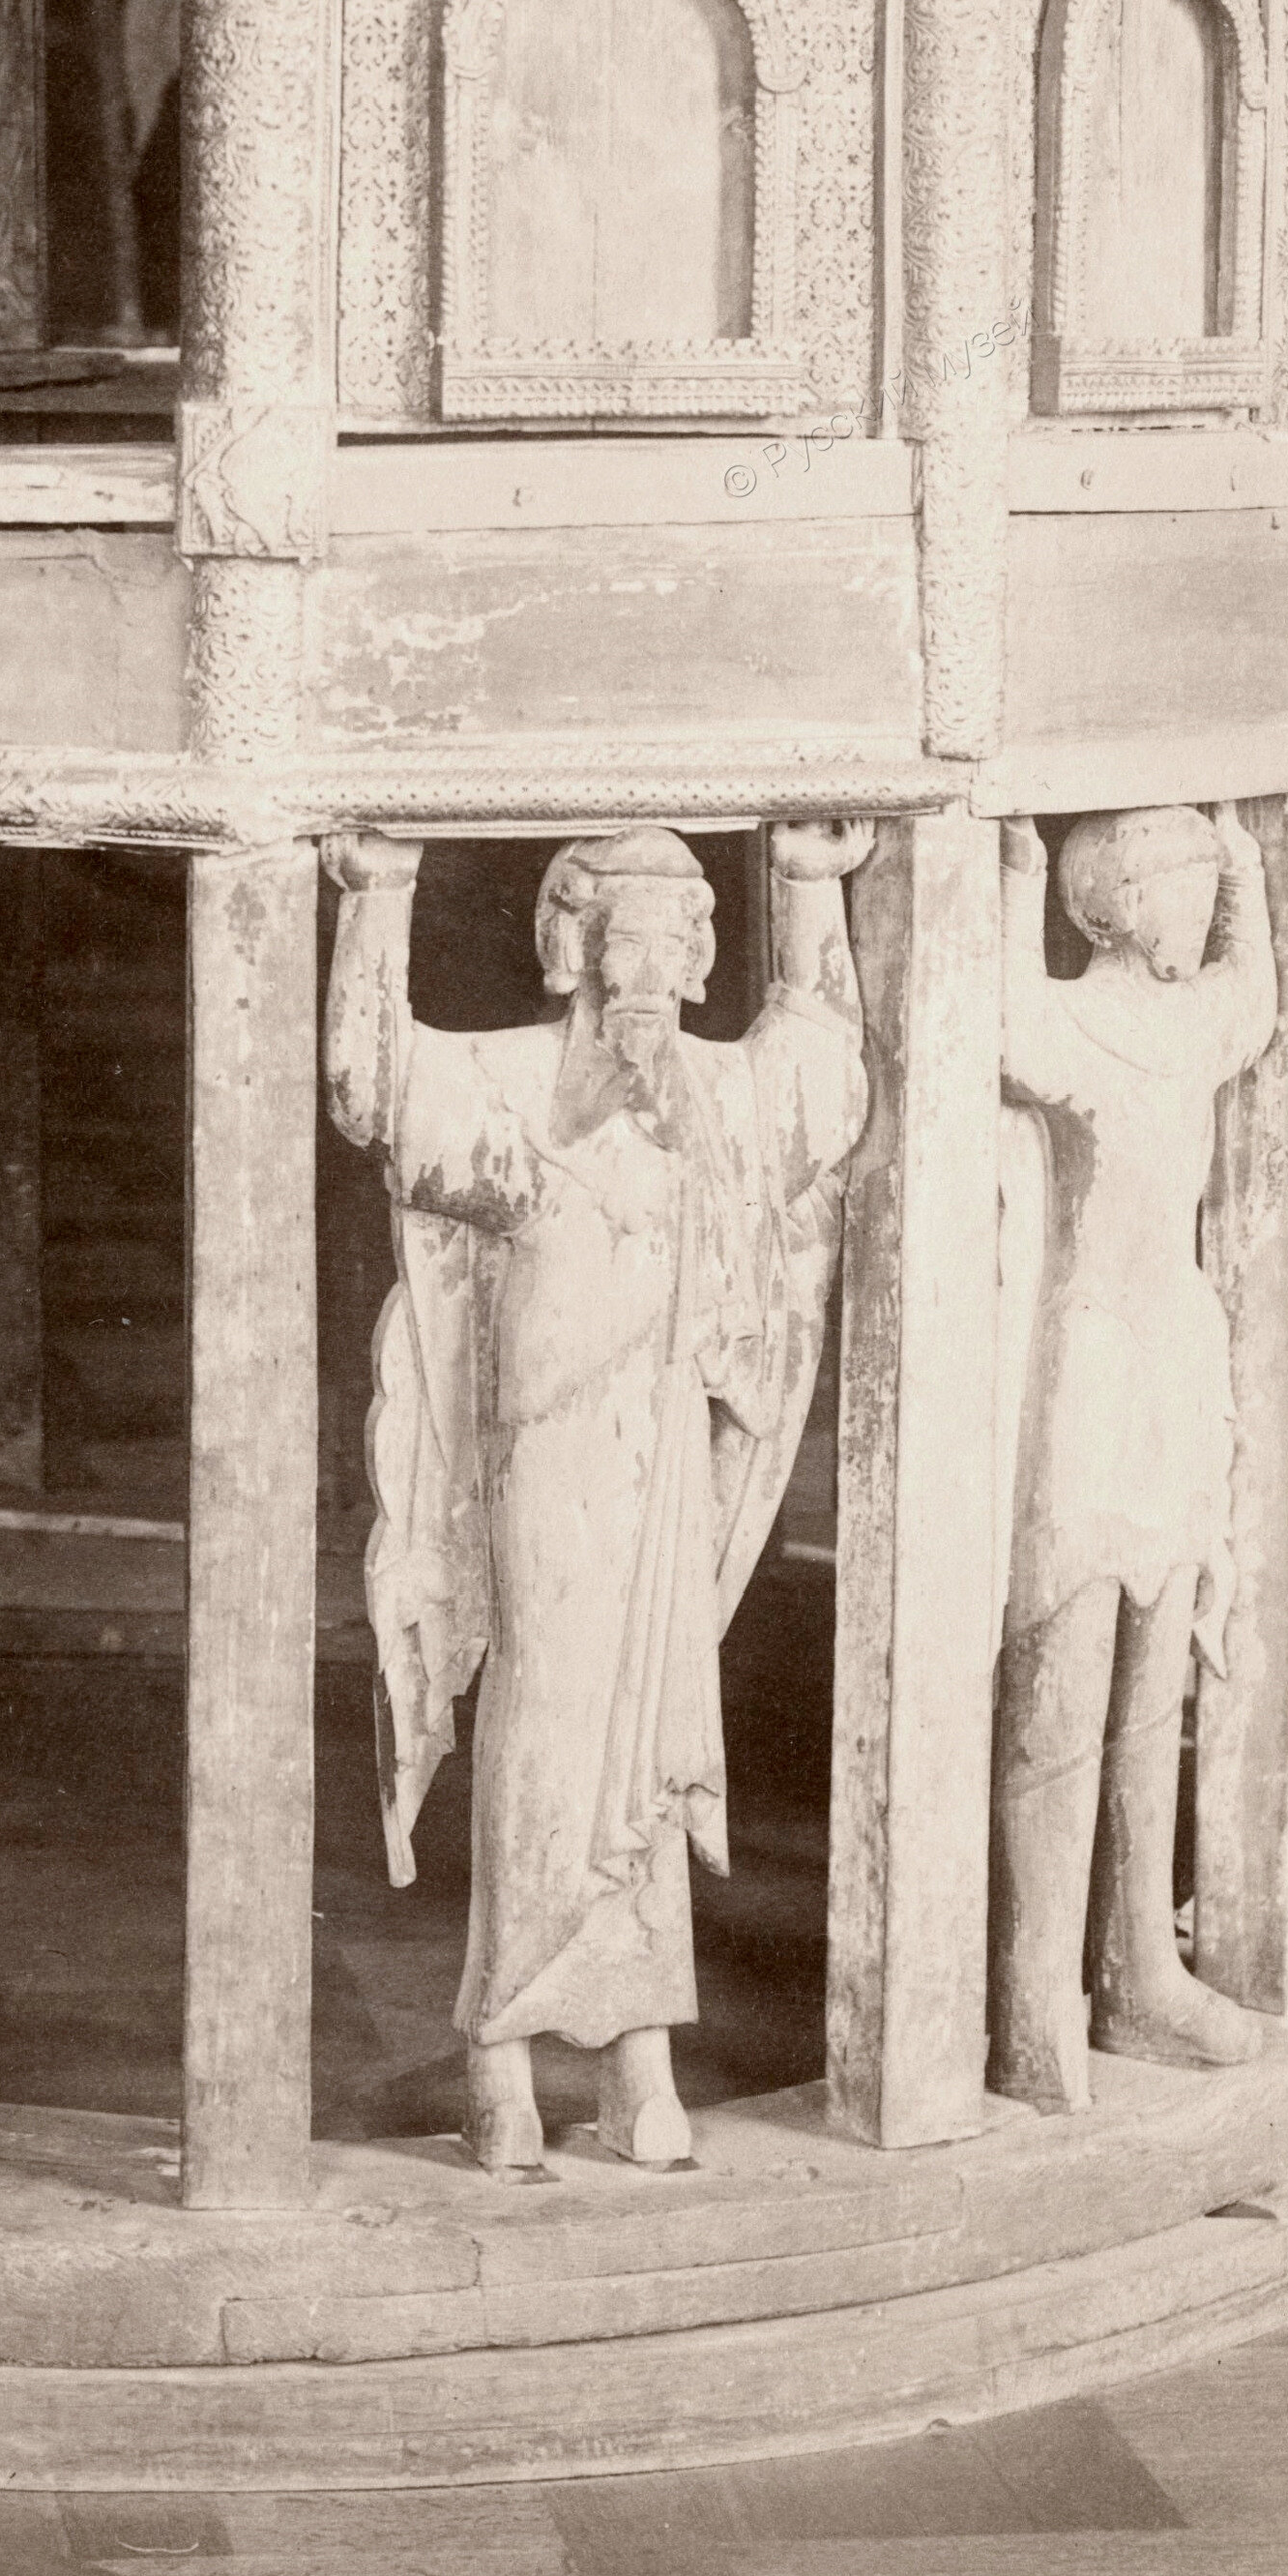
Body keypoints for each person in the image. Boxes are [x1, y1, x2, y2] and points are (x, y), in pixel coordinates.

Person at [325, 816, 871, 2173]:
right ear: (571, 944)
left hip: (658, 1458)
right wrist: (379, 891)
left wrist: (811, 883)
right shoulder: (513, 1082)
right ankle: (502, 2056)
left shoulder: (713, 1093)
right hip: (545, 1462)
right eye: (634, 932)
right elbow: (372, 1087)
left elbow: (825, 1082)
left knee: (656, 1749)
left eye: (684, 936)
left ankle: (639, 2060)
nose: (662, 960)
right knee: (546, 1734)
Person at [990, 799, 1277, 2105]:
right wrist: (1011, 877)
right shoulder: (1074, 1025)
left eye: (1200, 882)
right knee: (1065, 1670)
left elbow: (1253, 999)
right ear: (1111, 901)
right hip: (1093, 1355)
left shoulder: (1194, 1021)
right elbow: (1007, 1018)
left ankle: (1140, 1971)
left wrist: (1250, 867)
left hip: (1172, 1345)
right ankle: (1034, 1995)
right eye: (1179, 880)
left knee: (1157, 1667)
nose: (1196, 905)